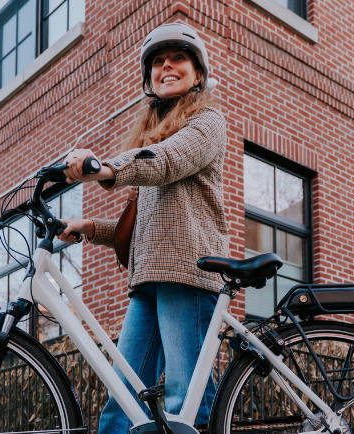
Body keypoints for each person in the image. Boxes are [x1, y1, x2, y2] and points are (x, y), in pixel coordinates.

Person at [56, 22, 229, 433]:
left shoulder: (207, 123)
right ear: (149, 78)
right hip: (148, 279)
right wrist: (88, 227)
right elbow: (144, 226)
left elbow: (166, 160)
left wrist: (110, 167)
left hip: (189, 273)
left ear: (198, 73)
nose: (166, 66)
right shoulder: (153, 136)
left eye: (178, 59)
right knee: (123, 400)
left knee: (185, 403)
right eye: (157, 62)